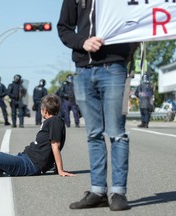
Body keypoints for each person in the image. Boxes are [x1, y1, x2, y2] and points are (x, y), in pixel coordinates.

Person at [57, 0, 133, 211]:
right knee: (93, 134)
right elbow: (63, 28)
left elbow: (137, 23)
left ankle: (118, 192)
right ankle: (98, 191)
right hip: (83, 72)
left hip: (114, 69)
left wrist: (124, 53)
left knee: (117, 133)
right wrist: (82, 42)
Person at [0, 94, 75, 178]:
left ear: (44, 110)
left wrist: (60, 170)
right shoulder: (50, 122)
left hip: (30, 165)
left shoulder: (55, 121)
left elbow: (55, 146)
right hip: (25, 157)